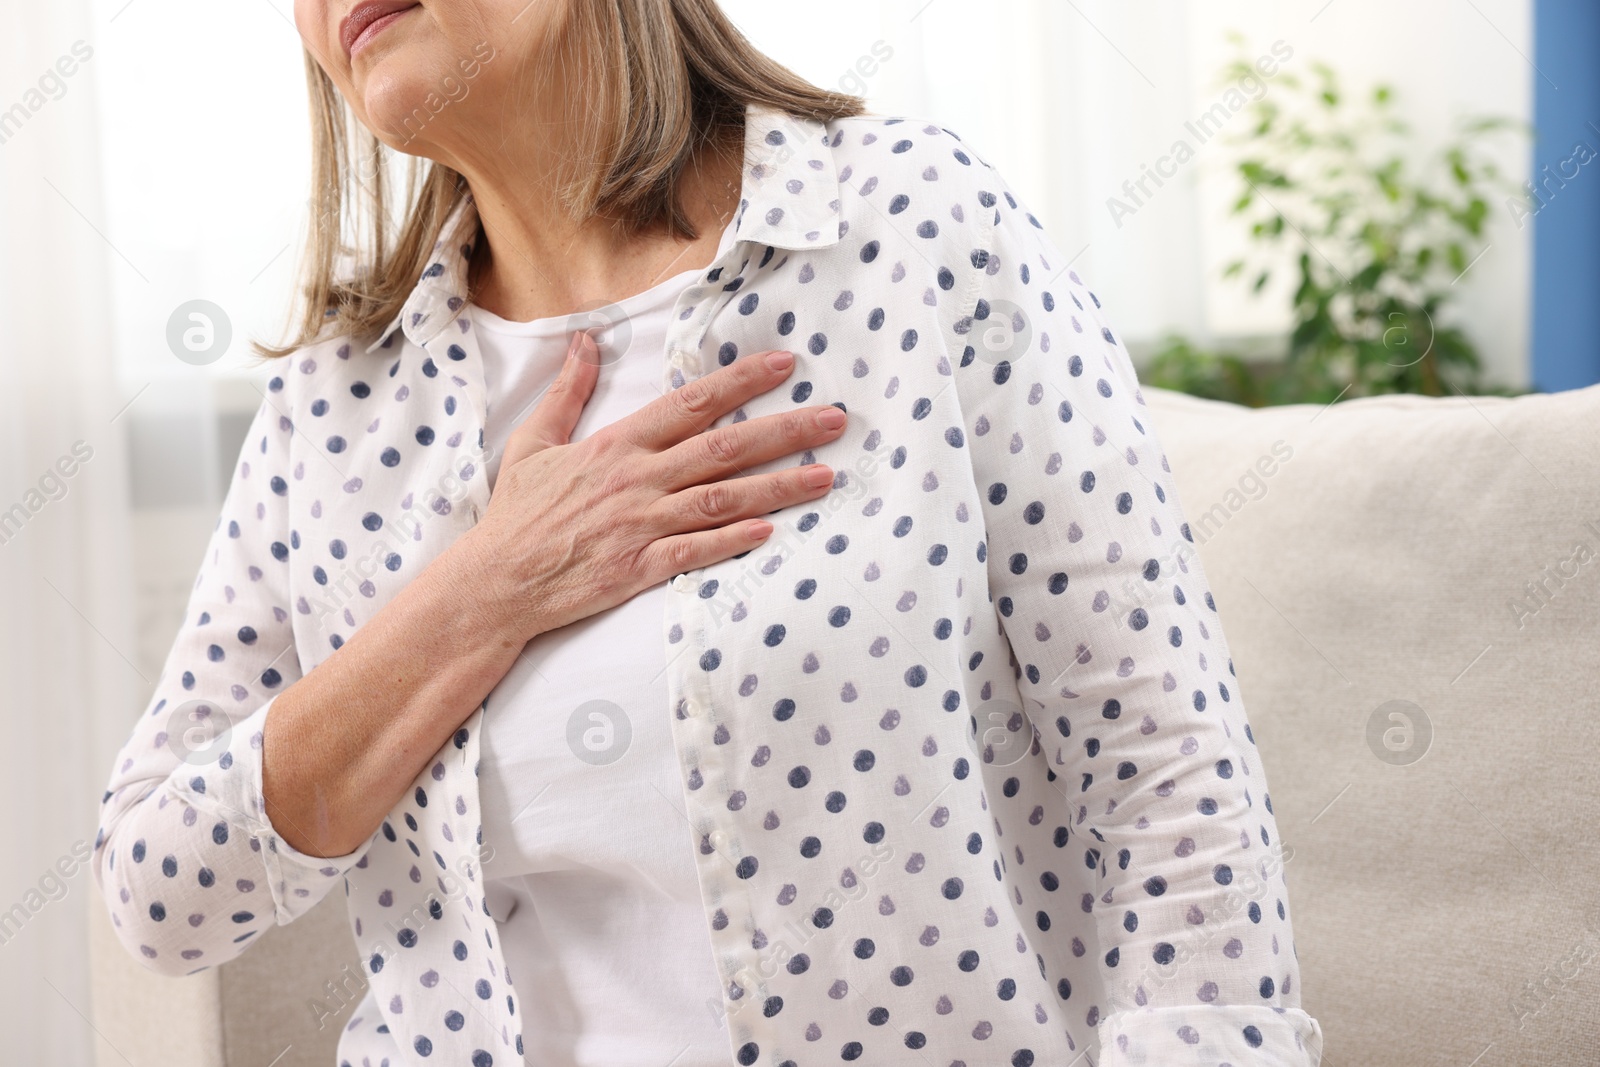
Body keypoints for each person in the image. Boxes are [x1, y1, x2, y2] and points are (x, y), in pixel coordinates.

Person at [93, 1, 1324, 1065]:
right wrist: (485, 589)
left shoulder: (906, 229)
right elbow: (157, 890)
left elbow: (1166, 777)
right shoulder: (337, 405)